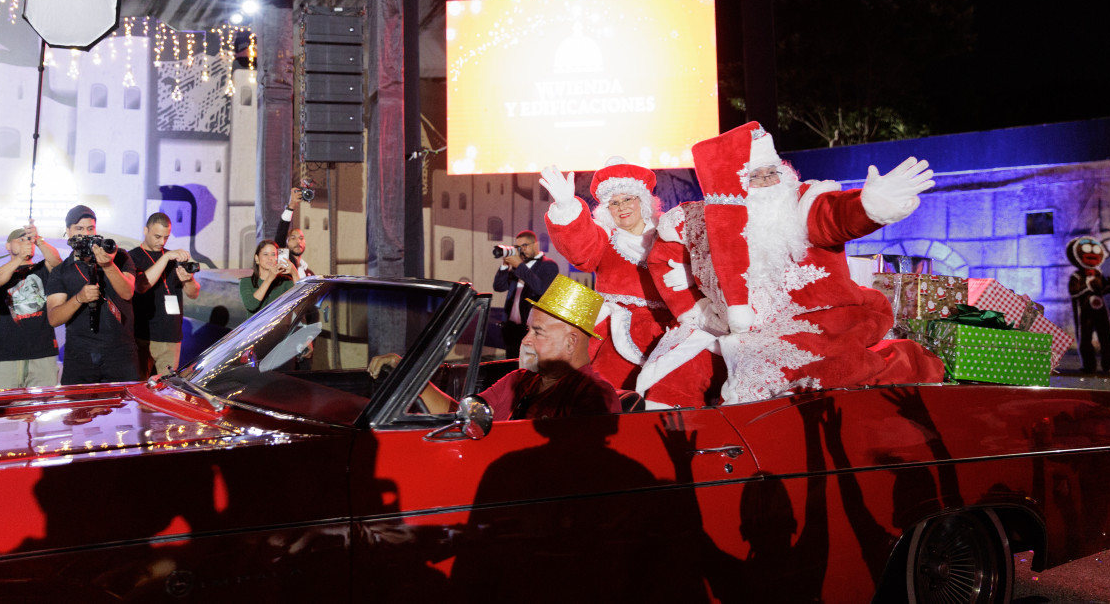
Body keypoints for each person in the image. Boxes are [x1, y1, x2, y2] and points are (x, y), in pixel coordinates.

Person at [682, 122, 945, 404]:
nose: (768, 181)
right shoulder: (708, 223)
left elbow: (834, 216)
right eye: (755, 177)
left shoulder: (801, 203)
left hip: (820, 319)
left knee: (799, 362)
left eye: (772, 172)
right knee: (688, 354)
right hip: (741, 327)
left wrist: (867, 208)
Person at [540, 161, 721, 408]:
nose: (622, 207)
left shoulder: (670, 231)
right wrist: (566, 207)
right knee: (606, 393)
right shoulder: (605, 237)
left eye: (627, 199)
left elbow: (715, 259)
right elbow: (580, 250)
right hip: (614, 329)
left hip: (672, 325)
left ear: (642, 200)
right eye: (614, 203)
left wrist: (693, 274)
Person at [374, 275, 618, 421]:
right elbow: (465, 417)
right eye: (528, 330)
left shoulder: (594, 396)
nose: (526, 340)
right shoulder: (520, 380)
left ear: (571, 342)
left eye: (538, 332)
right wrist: (408, 373)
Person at [44, 205, 140, 385]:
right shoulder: (61, 271)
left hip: (120, 353)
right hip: (80, 356)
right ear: (68, 231)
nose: (86, 234)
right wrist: (79, 298)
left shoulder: (119, 256)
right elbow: (54, 318)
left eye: (90, 228)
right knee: (78, 403)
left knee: (123, 402)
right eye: (79, 229)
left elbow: (127, 292)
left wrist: (108, 265)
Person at [0, 224, 62, 389]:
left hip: (42, 355)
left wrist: (39, 240)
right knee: (3, 403)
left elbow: (57, 263)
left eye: (29, 240)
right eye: (20, 240)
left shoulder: (42, 269)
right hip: (7, 357)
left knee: (43, 403)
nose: (27, 242)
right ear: (8, 246)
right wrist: (19, 258)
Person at [130, 212, 201, 376]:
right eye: (157, 236)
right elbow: (141, 286)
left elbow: (193, 294)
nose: (162, 242)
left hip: (171, 335)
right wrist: (166, 257)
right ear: (145, 230)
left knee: (166, 386)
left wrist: (189, 280)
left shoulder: (174, 258)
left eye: (166, 237)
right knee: (140, 384)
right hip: (143, 335)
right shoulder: (132, 257)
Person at [491, 230, 559, 359]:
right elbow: (499, 287)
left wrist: (519, 265)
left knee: (529, 364)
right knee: (511, 364)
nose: (521, 250)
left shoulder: (548, 265)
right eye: (518, 247)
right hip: (511, 329)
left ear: (535, 245)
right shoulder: (518, 267)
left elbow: (541, 289)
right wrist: (505, 266)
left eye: (525, 245)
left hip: (531, 329)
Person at [1066, 236, 1110, 373]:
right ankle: (1088, 366)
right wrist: (1088, 286)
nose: (1091, 253)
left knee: (1106, 335)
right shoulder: (1077, 275)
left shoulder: (1098, 274)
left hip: (1100, 308)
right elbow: (1074, 292)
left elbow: (1102, 289)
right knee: (1085, 337)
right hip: (1084, 309)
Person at [240, 240, 300, 314]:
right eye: (265, 254)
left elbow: (300, 303)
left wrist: (295, 274)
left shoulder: (285, 282)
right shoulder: (246, 282)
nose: (270, 258)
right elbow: (251, 305)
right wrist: (269, 279)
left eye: (273, 254)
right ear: (257, 258)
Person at [274, 187, 315, 277]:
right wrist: (291, 206)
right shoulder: (283, 264)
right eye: (293, 238)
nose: (298, 241)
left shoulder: (309, 273)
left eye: (301, 238)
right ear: (286, 242)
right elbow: (281, 233)